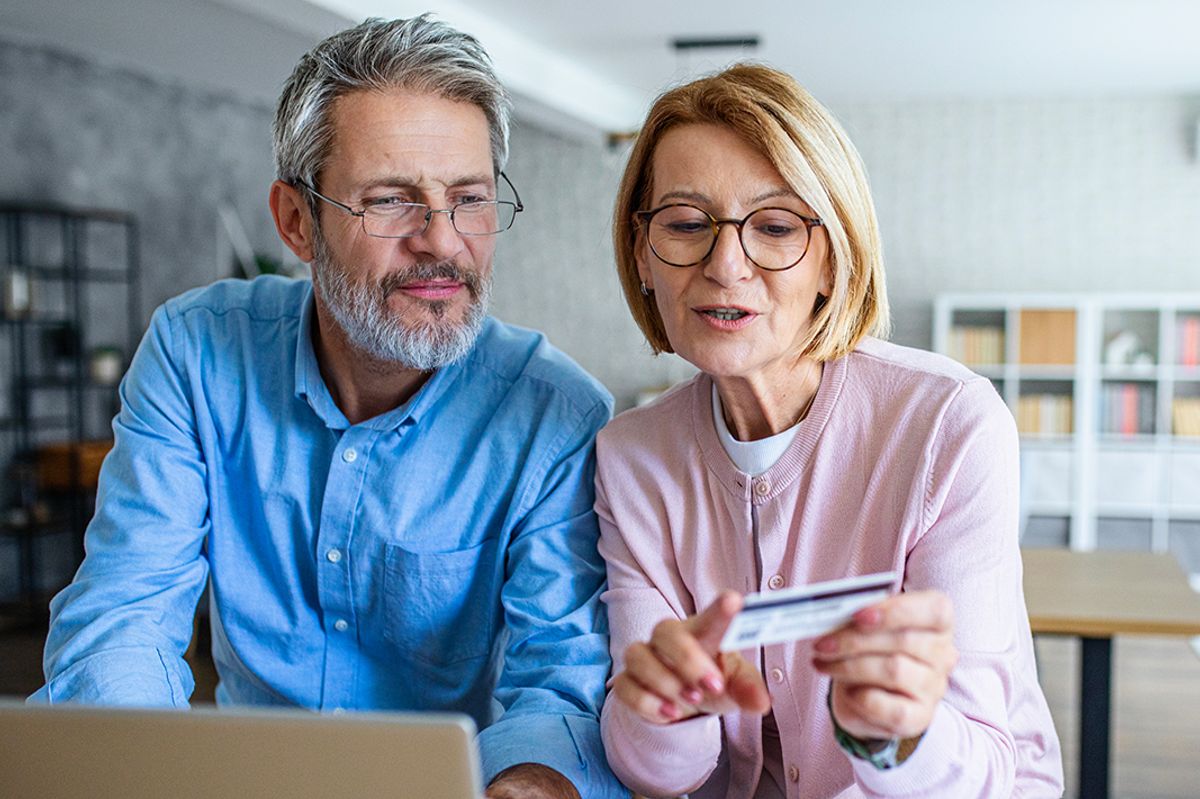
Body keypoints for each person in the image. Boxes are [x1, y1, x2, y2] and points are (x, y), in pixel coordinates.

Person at [31, 16, 625, 799]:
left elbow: (561, 676)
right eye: (390, 201)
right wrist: (133, 765)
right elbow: (126, 611)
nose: (441, 242)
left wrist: (532, 782)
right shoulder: (196, 352)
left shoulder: (555, 414)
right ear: (295, 222)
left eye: (469, 199)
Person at [595, 64, 1064, 798]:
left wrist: (896, 732)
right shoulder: (630, 456)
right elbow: (658, 771)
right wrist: (663, 708)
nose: (725, 265)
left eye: (776, 226)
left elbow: (990, 769)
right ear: (641, 256)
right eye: (685, 224)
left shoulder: (949, 425)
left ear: (832, 256)